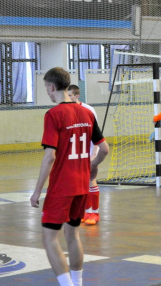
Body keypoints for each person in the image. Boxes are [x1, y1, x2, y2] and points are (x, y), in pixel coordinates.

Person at [30, 67, 109, 286]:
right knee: (72, 234)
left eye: (46, 88)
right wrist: (92, 167)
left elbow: (49, 156)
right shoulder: (86, 113)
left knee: (49, 238)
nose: (47, 92)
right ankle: (78, 283)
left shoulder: (53, 114)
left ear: (52, 87)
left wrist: (37, 191)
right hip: (82, 185)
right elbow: (104, 150)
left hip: (62, 187)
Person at [67, 84, 101, 226]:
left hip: (90, 151)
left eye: (70, 96)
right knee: (81, 183)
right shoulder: (67, 110)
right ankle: (86, 211)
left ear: (77, 96)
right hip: (77, 153)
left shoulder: (88, 110)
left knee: (90, 180)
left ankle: (95, 213)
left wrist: (94, 153)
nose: (68, 99)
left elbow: (96, 133)